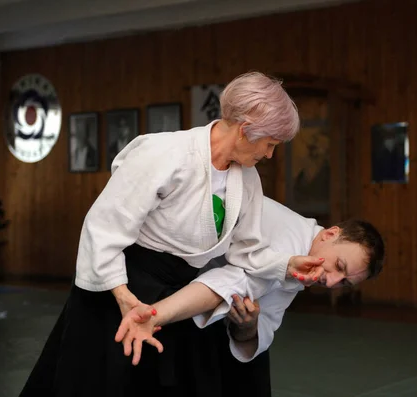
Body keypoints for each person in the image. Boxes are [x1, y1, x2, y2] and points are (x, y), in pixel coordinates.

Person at [20, 72, 325, 397]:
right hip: (119, 286)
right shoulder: (166, 153)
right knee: (103, 383)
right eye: (270, 144)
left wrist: (286, 264)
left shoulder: (246, 179)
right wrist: (124, 299)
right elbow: (104, 227)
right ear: (246, 130)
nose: (269, 155)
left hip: (174, 293)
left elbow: (247, 251)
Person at [115, 197, 385, 396]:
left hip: (191, 285)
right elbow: (225, 284)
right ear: (330, 234)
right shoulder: (288, 243)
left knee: (254, 367)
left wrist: (248, 326)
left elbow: (266, 320)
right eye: (339, 267)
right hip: (149, 266)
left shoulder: (308, 252)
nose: (332, 281)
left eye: (345, 283)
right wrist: (153, 315)